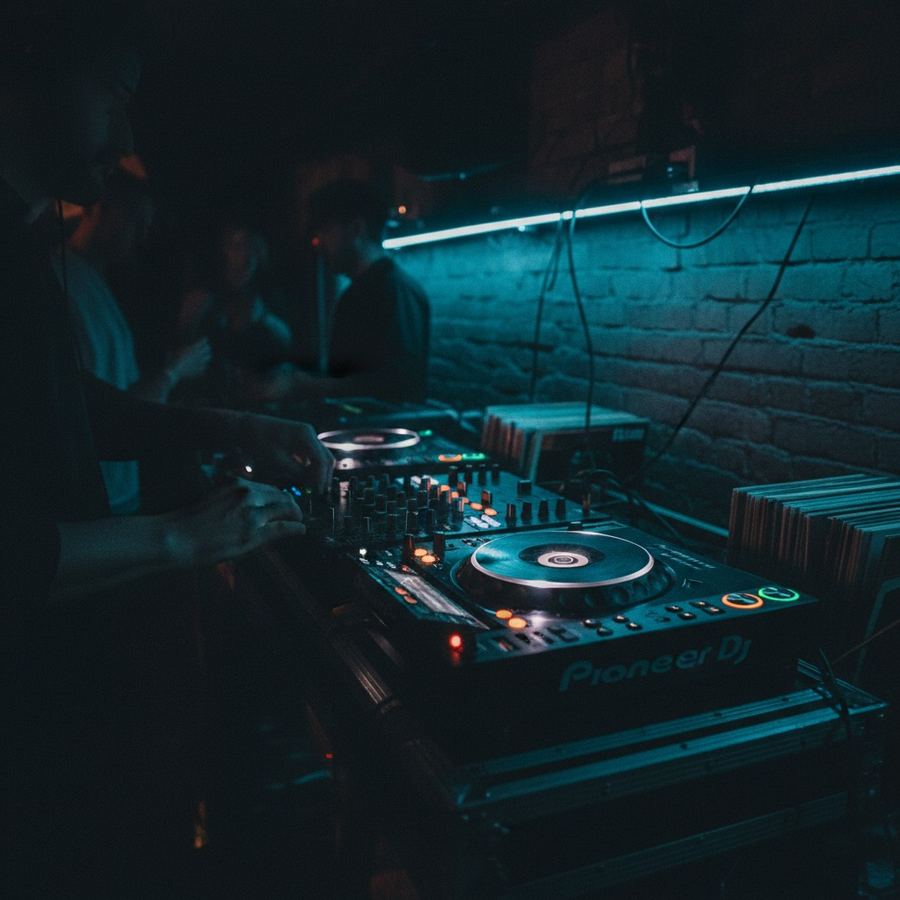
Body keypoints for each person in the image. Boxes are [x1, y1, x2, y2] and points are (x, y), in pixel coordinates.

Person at [0, 4, 332, 892]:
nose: (127, 130)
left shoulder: (26, 248)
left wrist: (230, 427)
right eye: (115, 93)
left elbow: (68, 408)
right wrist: (181, 536)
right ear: (28, 72)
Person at [56, 159, 212, 512]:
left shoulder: (93, 280)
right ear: (101, 208)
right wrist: (174, 371)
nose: (142, 237)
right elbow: (97, 417)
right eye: (136, 222)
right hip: (95, 506)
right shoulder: (60, 283)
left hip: (117, 498)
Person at [242, 178, 430, 405]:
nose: (318, 243)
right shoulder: (362, 292)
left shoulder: (395, 290)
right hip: (359, 435)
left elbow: (399, 386)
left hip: (383, 437)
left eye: (326, 232)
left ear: (355, 230)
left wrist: (303, 384)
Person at [176, 220, 293, 406]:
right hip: (210, 399)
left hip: (257, 400)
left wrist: (264, 318)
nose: (246, 255)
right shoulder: (205, 294)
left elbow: (288, 341)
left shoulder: (269, 295)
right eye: (238, 246)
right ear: (225, 249)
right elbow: (181, 347)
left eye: (253, 247)